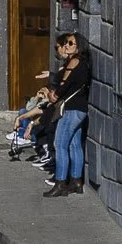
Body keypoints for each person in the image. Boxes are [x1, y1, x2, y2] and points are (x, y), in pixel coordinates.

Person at [46, 32, 91, 197]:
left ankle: (60, 183)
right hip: (81, 110)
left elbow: (63, 84)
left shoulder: (74, 62)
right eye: (65, 43)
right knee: (74, 144)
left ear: (78, 46)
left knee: (60, 145)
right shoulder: (84, 64)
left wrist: (55, 95)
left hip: (71, 109)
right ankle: (76, 181)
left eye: (70, 43)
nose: (66, 46)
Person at [7, 84, 55, 162]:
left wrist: (47, 98)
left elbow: (46, 112)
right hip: (35, 123)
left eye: (45, 91)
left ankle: (47, 155)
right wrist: (36, 98)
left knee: (38, 131)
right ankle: (22, 134)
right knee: (23, 111)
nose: (42, 93)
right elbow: (29, 108)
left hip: (43, 124)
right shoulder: (41, 101)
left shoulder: (50, 101)